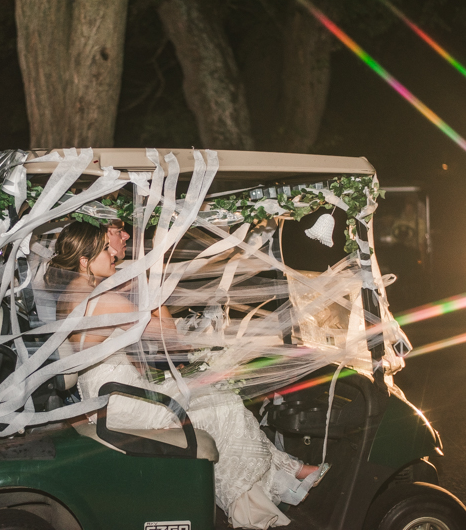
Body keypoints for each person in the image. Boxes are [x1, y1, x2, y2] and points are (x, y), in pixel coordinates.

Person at [46, 221, 329, 529]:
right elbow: (169, 337)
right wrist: (154, 288)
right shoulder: (102, 301)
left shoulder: (73, 296)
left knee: (218, 398)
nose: (113, 254)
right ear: (85, 261)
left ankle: (287, 477)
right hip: (123, 402)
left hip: (110, 395)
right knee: (223, 407)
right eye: (105, 250)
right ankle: (257, 513)